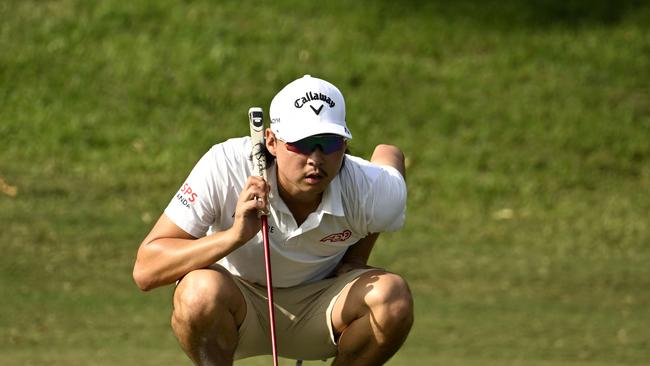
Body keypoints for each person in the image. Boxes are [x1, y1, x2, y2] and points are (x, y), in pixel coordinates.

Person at [133, 75, 413, 366]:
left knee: (392, 297)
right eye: (302, 144)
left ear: (343, 144)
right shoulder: (225, 166)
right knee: (197, 292)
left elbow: (389, 154)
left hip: (323, 308)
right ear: (271, 141)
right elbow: (146, 270)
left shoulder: (368, 186)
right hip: (237, 305)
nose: (316, 158)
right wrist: (234, 236)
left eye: (329, 143)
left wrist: (357, 257)